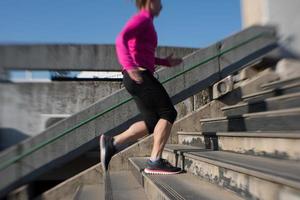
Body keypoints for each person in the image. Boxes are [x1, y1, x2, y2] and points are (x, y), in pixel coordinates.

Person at [100, 0, 183, 175]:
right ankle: (155, 161)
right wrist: (129, 66)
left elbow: (142, 53)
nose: (162, 5)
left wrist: (165, 62)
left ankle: (112, 143)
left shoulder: (147, 23)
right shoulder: (142, 19)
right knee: (168, 113)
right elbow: (120, 39)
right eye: (160, 1)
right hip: (139, 75)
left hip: (136, 76)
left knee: (153, 122)